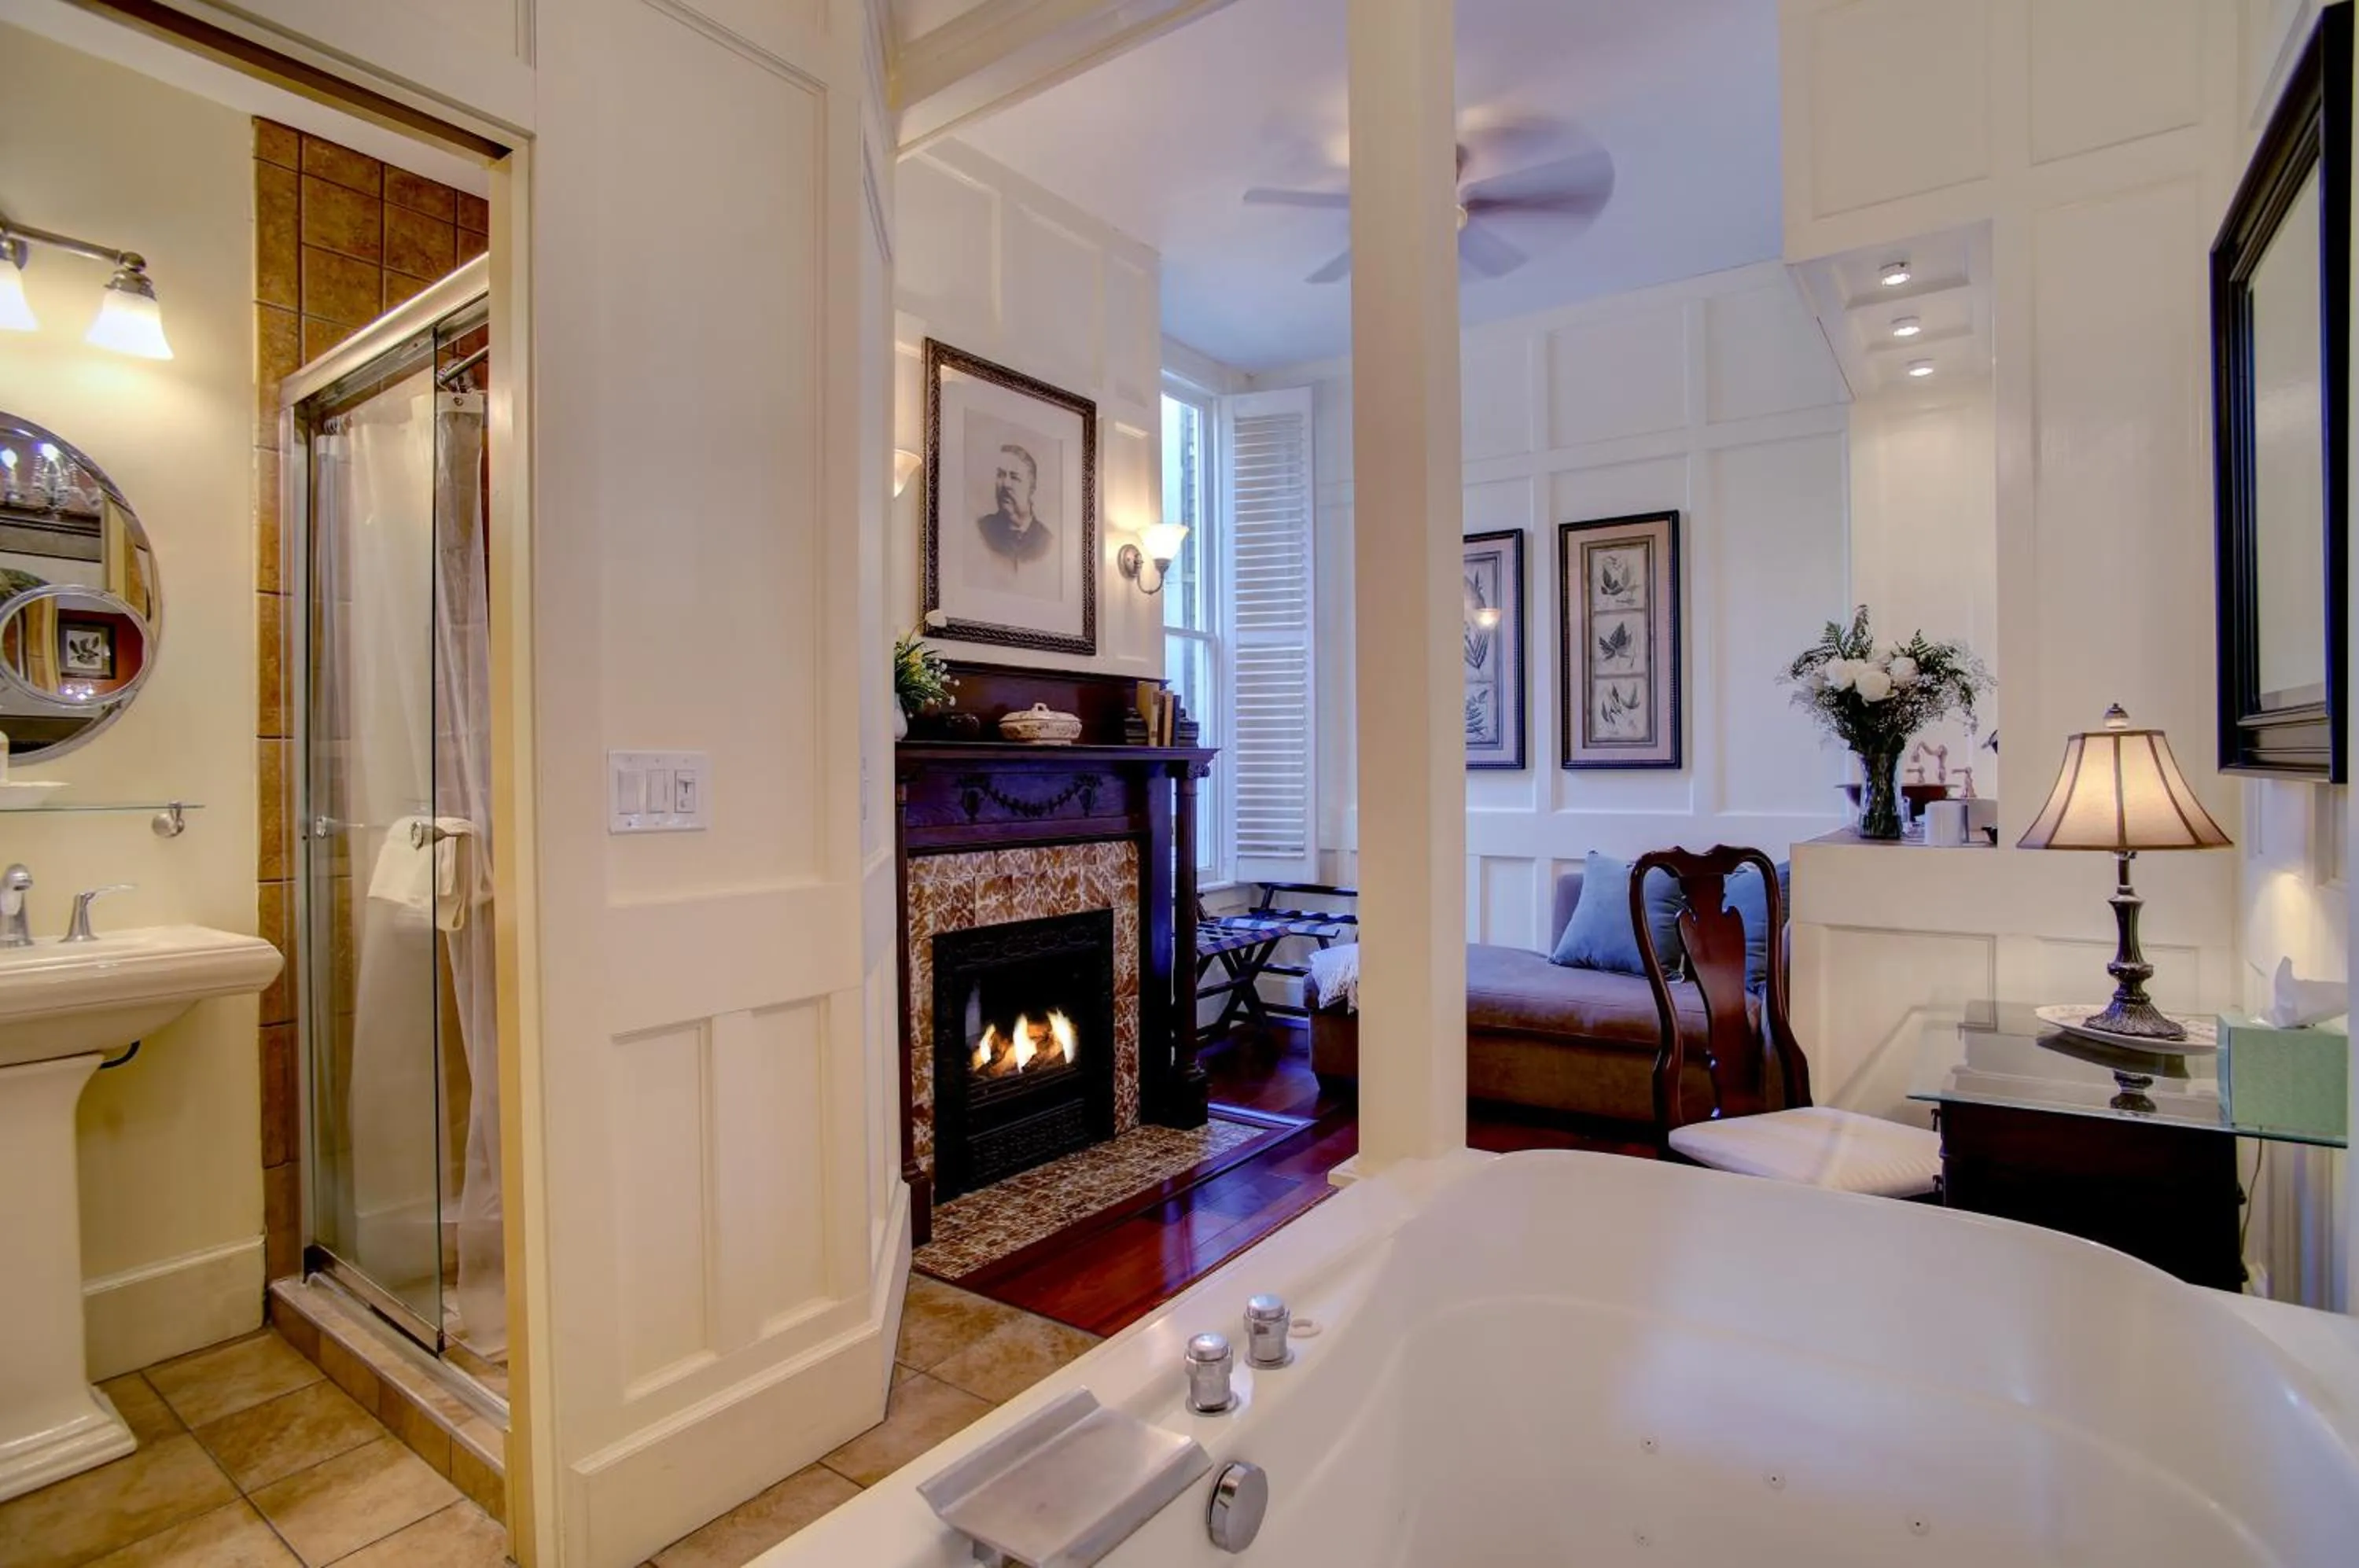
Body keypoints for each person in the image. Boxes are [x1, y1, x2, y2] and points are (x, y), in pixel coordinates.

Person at [973, 442, 1056, 598]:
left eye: (1015, 477)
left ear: (1032, 487)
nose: (1005, 484)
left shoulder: (1047, 541)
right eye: (1000, 475)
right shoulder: (981, 531)